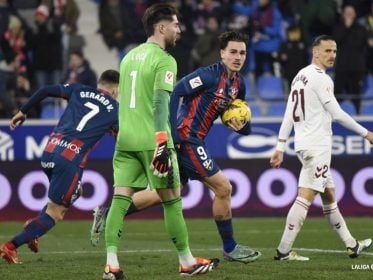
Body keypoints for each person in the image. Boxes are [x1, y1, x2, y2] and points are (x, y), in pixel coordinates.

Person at [91, 30, 261, 264]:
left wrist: (241, 125)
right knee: (224, 188)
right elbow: (177, 91)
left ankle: (109, 213)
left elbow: (243, 128)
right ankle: (230, 248)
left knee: (165, 193)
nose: (237, 57)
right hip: (186, 138)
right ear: (222, 53)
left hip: (192, 140)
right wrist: (172, 133)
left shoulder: (237, 86)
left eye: (242, 52)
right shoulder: (208, 75)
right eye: (232, 51)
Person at [102, 3, 218, 280]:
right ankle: (187, 262)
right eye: (176, 25)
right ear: (162, 27)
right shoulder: (165, 60)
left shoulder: (128, 56)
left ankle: (111, 265)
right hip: (153, 140)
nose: (179, 29)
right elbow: (159, 102)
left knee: (119, 199)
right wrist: (163, 142)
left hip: (126, 139)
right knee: (172, 200)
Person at [269, 35, 373, 261]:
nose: (332, 55)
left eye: (335, 51)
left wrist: (280, 146)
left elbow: (289, 114)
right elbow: (337, 114)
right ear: (315, 52)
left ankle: (351, 244)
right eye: (327, 51)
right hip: (317, 146)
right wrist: (366, 133)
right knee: (305, 197)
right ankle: (283, 251)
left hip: (304, 144)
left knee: (329, 194)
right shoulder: (321, 79)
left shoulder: (299, 76)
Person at [0, 69, 120, 265]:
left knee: (77, 191)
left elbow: (46, 90)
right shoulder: (115, 109)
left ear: (99, 84)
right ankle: (11, 246)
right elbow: (121, 139)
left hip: (50, 150)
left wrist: (23, 111)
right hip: (70, 160)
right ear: (115, 90)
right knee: (56, 213)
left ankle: (33, 229)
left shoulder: (79, 89)